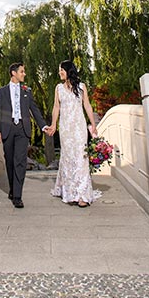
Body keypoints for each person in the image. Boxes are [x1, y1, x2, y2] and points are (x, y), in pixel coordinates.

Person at [0, 62, 49, 208]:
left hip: (22, 130)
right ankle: (13, 189)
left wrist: (43, 125)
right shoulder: (2, 91)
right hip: (7, 128)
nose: (24, 74)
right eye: (22, 71)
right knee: (10, 161)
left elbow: (34, 110)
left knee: (20, 162)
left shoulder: (27, 91)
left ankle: (17, 196)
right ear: (14, 73)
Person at [48, 59, 100, 207]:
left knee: (81, 158)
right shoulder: (58, 88)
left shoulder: (82, 87)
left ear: (68, 70)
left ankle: (82, 195)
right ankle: (70, 192)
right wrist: (53, 124)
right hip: (65, 128)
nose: (59, 72)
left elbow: (87, 106)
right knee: (68, 157)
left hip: (79, 127)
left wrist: (93, 124)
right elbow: (56, 107)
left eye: (61, 70)